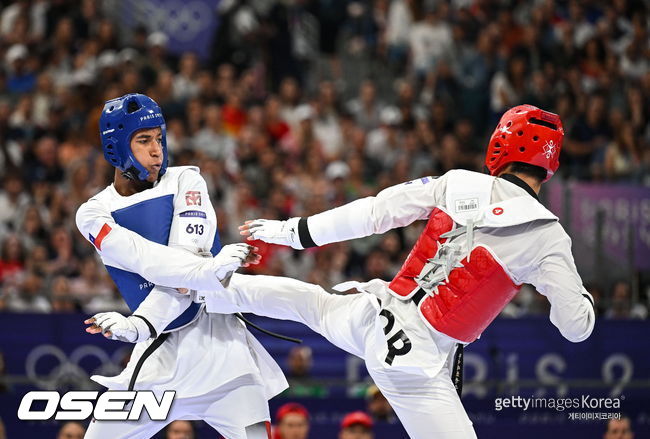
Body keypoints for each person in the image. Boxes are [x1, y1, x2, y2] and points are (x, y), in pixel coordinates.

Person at [95, 104, 595, 438]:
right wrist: (579, 300)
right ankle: (206, 287)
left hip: (375, 313)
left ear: (501, 147)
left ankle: (207, 289)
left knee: (306, 302)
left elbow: (374, 212)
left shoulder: (457, 182)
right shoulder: (549, 237)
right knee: (306, 305)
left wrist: (293, 232)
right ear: (548, 165)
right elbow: (574, 329)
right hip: (414, 364)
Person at [75, 93, 287, 439]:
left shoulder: (187, 180)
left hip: (226, 359)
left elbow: (189, 258)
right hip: (158, 360)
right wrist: (207, 272)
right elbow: (149, 260)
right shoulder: (93, 213)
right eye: (144, 140)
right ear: (115, 146)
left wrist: (142, 323)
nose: (157, 150)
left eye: (159, 137)